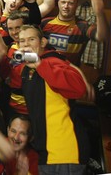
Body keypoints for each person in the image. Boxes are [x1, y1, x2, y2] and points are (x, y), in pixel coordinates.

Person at [9, 25, 90, 174]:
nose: (26, 44)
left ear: (43, 42)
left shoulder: (53, 61)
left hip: (65, 154)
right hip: (45, 154)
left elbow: (79, 89)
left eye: (31, 39)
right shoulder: (26, 70)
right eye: (22, 41)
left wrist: (40, 64)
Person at [40, 0, 108, 66]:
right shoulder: (45, 23)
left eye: (70, 3)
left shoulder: (82, 26)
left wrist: (100, 14)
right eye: (63, 2)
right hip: (46, 69)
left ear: (77, 5)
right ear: (58, 3)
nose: (66, 6)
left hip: (70, 72)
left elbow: (101, 37)